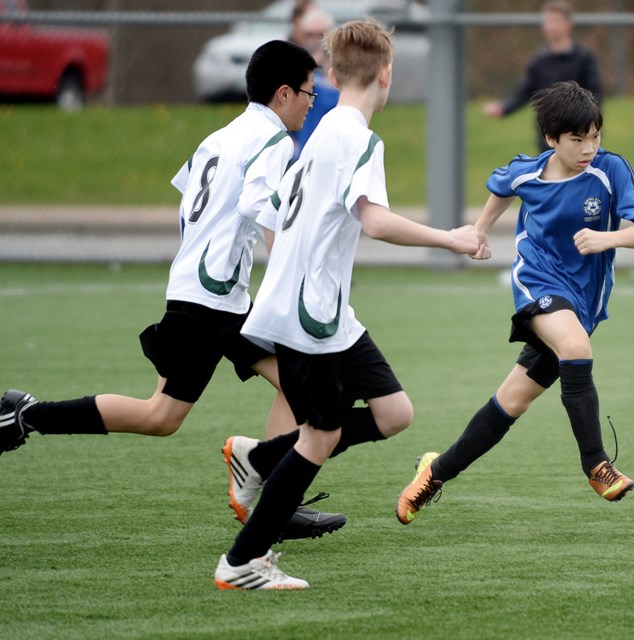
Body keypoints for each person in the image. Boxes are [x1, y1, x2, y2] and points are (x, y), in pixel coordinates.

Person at [0, 40, 342, 540]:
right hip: (211, 300)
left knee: (297, 382)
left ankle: (272, 499)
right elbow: (261, 205)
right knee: (162, 415)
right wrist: (290, 273)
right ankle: (28, 415)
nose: (312, 102)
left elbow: (190, 203)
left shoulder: (218, 137)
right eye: (308, 93)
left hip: (212, 292)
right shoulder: (275, 141)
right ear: (283, 94)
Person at [211, 20, 485, 590]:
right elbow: (375, 221)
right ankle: (243, 561)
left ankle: (258, 460)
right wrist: (452, 238)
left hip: (324, 313)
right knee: (320, 438)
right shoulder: (358, 138)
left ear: (333, 76)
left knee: (394, 413)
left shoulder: (327, 128)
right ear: (388, 73)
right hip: (312, 318)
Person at [395, 80, 634, 526]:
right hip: (537, 281)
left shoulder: (611, 170)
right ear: (551, 139)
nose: (589, 147)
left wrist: (607, 238)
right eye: (577, 139)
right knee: (575, 349)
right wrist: (479, 231)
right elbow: (502, 187)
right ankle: (596, 465)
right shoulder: (529, 172)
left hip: (582, 303)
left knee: (512, 402)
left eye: (594, 136)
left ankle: (434, 472)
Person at [483, 0, 602, 153]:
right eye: (547, 21)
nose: (550, 26)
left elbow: (595, 96)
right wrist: (503, 108)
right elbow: (524, 91)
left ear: (568, 24)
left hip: (578, 135)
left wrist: (587, 128)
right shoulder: (539, 61)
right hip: (548, 136)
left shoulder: (583, 58)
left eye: (555, 21)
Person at [290, 7, 340, 160]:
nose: (316, 40)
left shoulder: (342, 65)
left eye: (321, 34)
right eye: (310, 35)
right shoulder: (293, 65)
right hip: (300, 142)